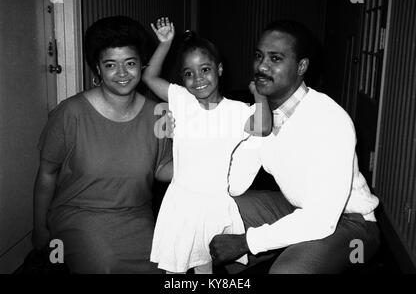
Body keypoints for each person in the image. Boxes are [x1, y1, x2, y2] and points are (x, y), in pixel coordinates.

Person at [209, 20, 381, 274]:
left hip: (351, 223)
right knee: (214, 211)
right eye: (259, 56)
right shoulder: (262, 113)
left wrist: (248, 242)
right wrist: (257, 118)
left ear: (301, 66)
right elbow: (235, 185)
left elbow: (321, 219)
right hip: (297, 208)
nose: (262, 66)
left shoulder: (329, 120)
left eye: (275, 58)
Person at [32, 16, 173, 274]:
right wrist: (40, 228)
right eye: (111, 65)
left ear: (142, 64)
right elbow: (46, 174)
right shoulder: (71, 113)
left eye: (130, 63)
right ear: (97, 68)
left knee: (165, 269)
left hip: (136, 215)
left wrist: (208, 156)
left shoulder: (158, 113)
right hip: (78, 214)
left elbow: (162, 167)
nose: (122, 73)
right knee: (105, 266)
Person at [142, 17, 272, 274]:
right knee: (175, 269)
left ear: (219, 69)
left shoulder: (235, 112)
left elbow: (264, 126)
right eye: (188, 73)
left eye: (205, 69)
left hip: (212, 203)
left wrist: (259, 95)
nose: (197, 79)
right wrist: (165, 44)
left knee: (205, 267)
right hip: (180, 201)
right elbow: (149, 76)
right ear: (182, 79)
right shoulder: (182, 99)